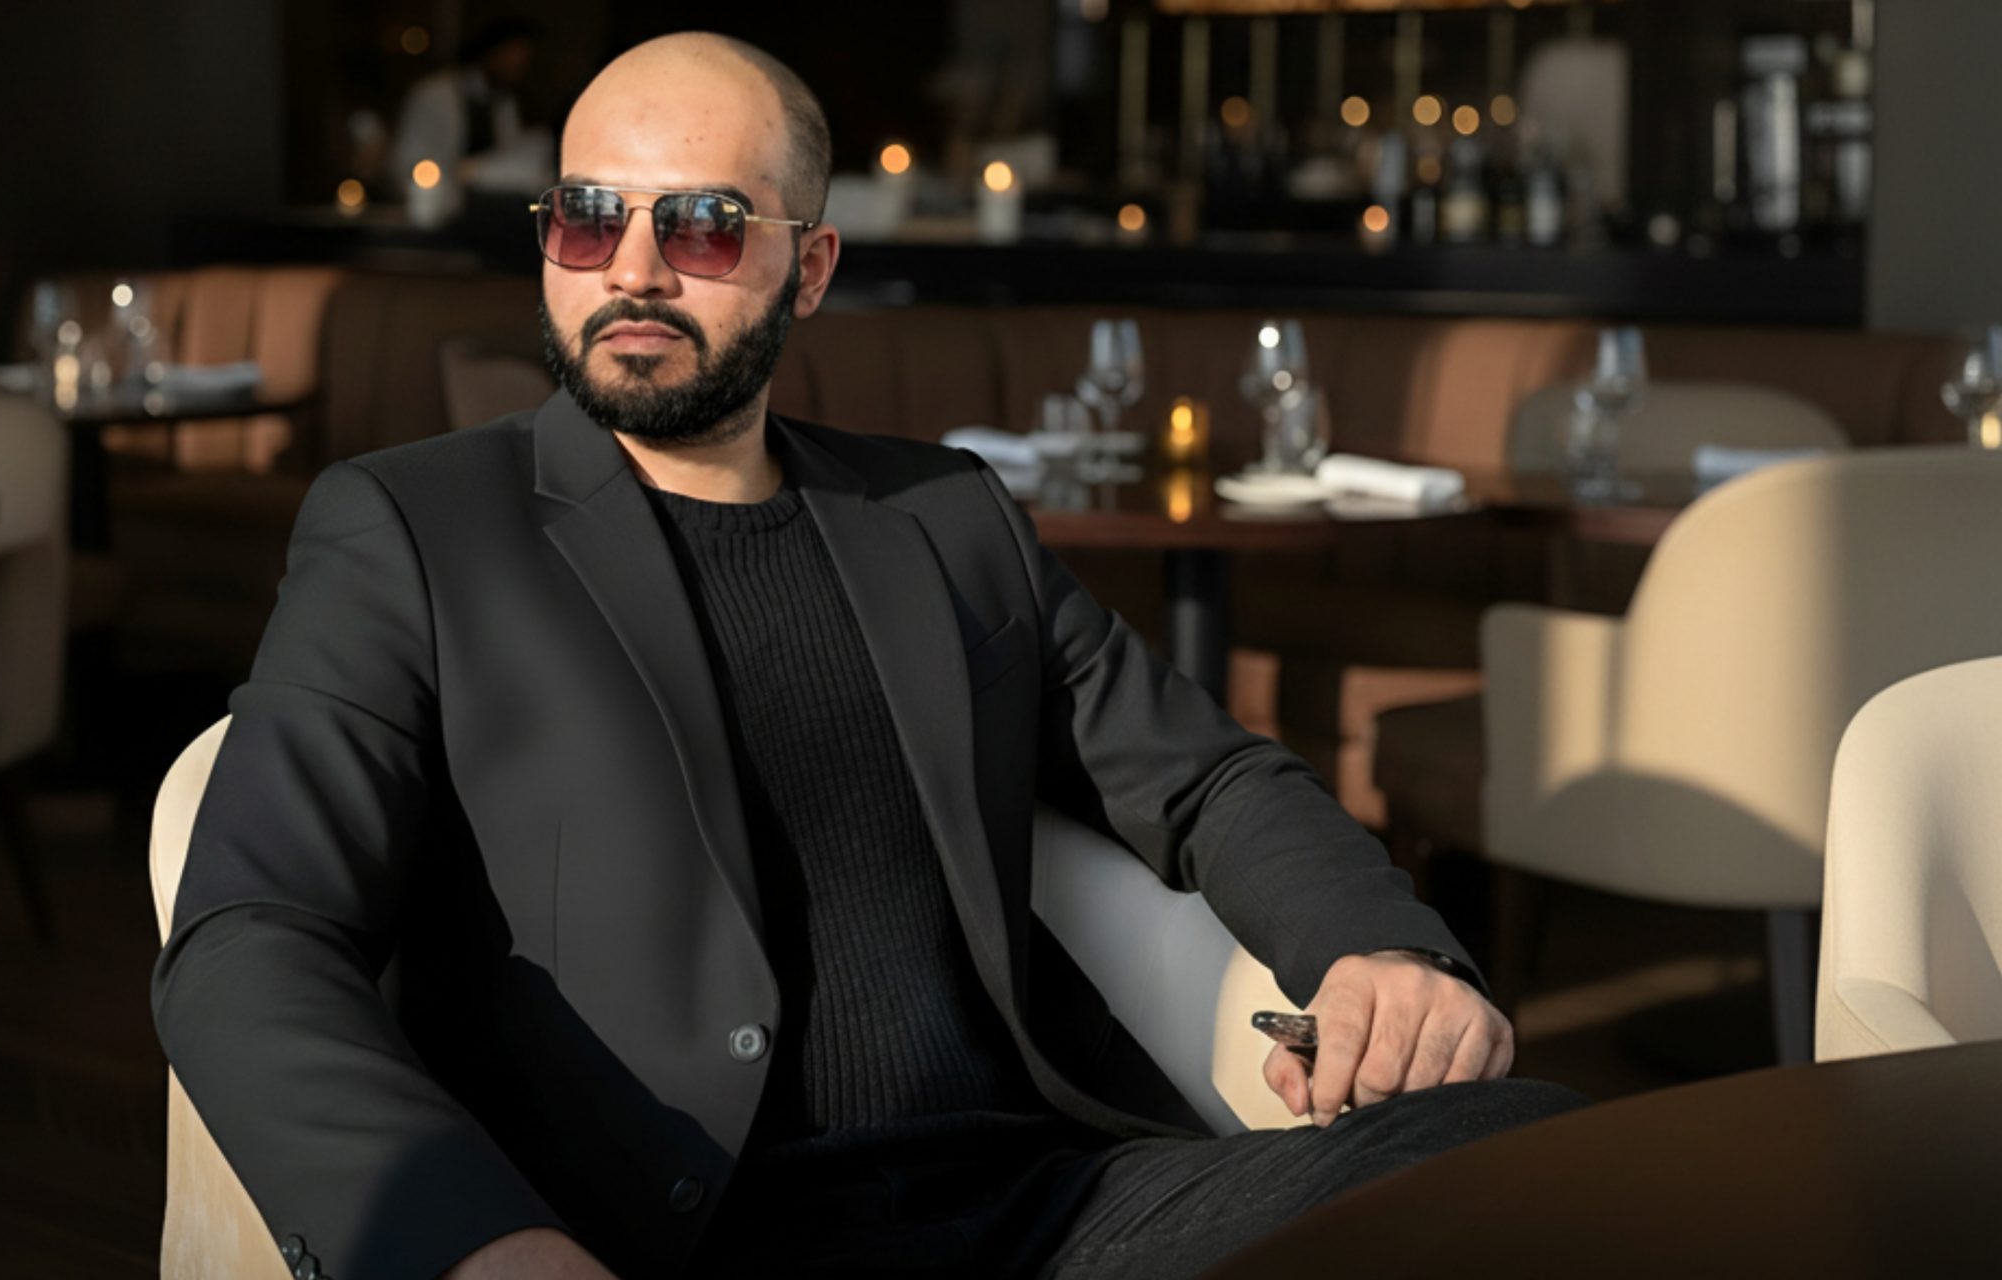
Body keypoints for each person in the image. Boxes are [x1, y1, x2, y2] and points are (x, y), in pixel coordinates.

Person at [154, 31, 1590, 1280]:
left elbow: (1206, 776)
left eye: (704, 226)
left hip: (1048, 1212)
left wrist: (1379, 952)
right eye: (587, 219)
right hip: (674, 1240)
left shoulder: (941, 516)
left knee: (1549, 1160)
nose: (632, 271)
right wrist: (473, 1244)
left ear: (811, 266)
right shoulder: (413, 528)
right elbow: (249, 942)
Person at [387, 18, 553, 198]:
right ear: (490, 52)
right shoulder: (435, 94)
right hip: (435, 198)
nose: (516, 68)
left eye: (522, 64)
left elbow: (507, 153)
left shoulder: (504, 102)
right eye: (510, 58)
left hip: (487, 195)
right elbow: (406, 162)